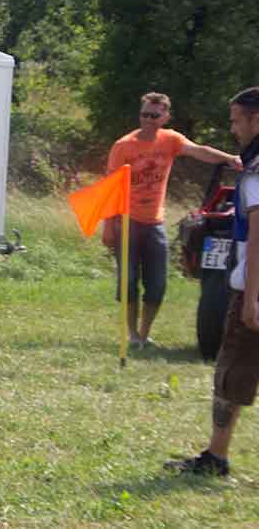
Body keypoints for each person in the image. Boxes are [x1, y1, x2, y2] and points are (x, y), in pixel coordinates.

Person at [166, 87, 259, 477]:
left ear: (256, 119)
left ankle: (216, 457)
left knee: (230, 373)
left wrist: (250, 297)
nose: (233, 129)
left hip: (252, 288)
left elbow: (258, 236)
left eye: (237, 120)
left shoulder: (255, 172)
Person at [102, 92, 241, 347]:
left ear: (165, 117)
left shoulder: (171, 140)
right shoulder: (123, 146)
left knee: (157, 284)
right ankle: (132, 334)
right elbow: (110, 187)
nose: (148, 120)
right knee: (128, 282)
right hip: (127, 222)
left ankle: (145, 334)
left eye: (154, 116)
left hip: (155, 223)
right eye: (144, 114)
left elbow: (199, 151)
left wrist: (229, 158)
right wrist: (108, 226)